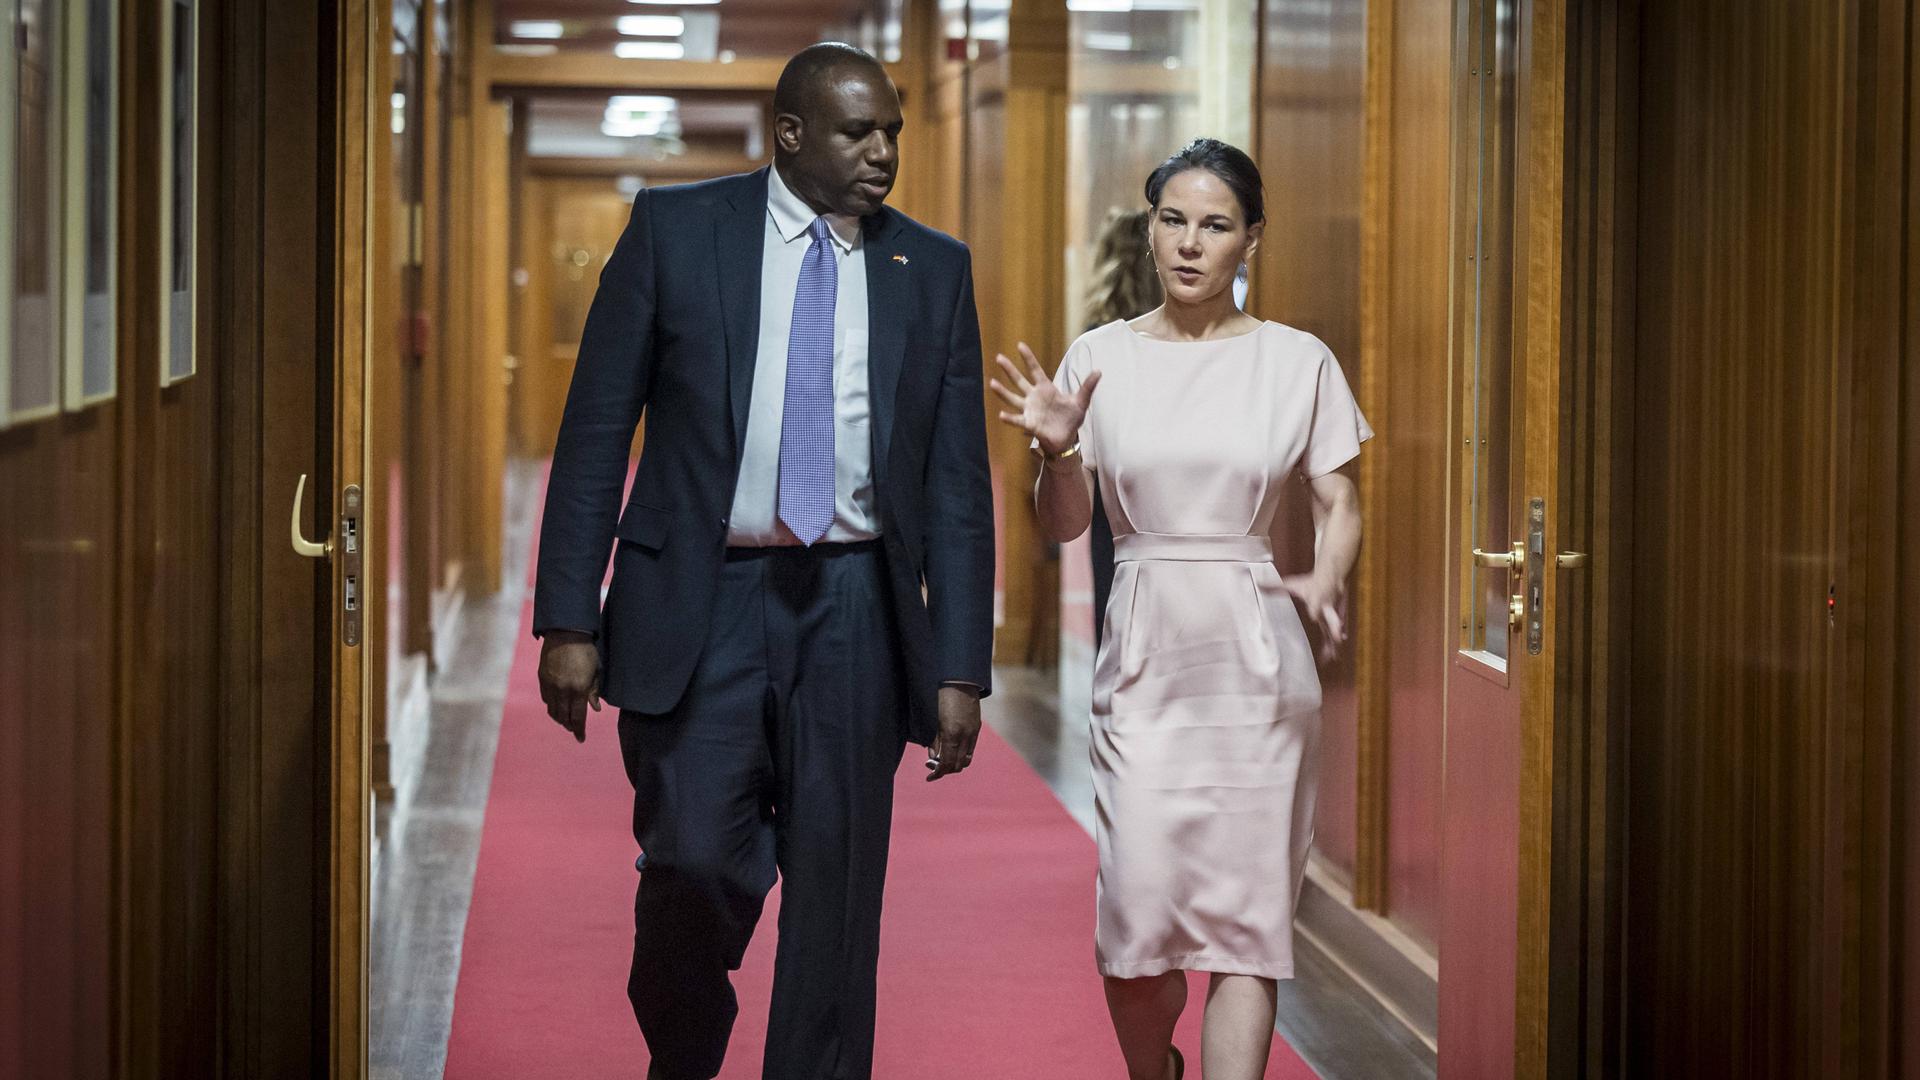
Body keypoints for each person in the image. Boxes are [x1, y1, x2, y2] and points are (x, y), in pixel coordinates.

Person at [531, 43, 996, 1080]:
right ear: (791, 133)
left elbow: (959, 486)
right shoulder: (678, 232)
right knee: (692, 860)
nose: (882, 152)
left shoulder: (934, 268)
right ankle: (684, 1054)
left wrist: (959, 663)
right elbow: (597, 428)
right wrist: (568, 616)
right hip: (704, 600)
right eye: (857, 132)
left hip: (856, 607)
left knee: (835, 894)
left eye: (892, 134)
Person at [990, 138, 1370, 1080]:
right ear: (1149, 228)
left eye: (1215, 225)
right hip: (1147, 657)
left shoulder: (1297, 361)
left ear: (1252, 240)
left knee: (1249, 930)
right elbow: (1067, 526)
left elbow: (1341, 500)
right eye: (1172, 221)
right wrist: (1058, 455)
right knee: (1136, 927)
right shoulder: (1099, 357)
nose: (1190, 244)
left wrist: (1328, 574)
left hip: (1259, 659)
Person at [1080, 207, 1161, 651]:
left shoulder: (1099, 338)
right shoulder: (1179, 338)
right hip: (1162, 491)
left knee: (1114, 617)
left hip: (1112, 503)